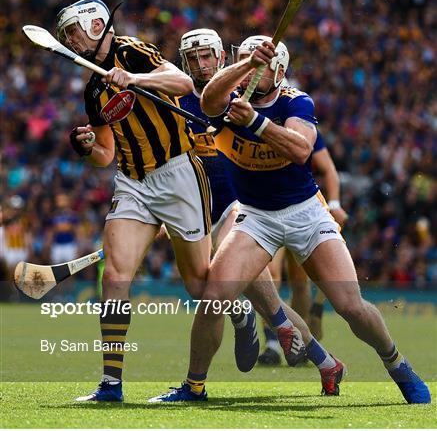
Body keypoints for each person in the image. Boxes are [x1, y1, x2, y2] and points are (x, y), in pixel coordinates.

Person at [149, 35, 430, 404]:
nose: (252, 72)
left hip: (306, 213)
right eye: (246, 63)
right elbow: (209, 100)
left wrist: (256, 122)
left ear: (279, 71)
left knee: (350, 306)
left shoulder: (296, 101)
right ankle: (193, 386)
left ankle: (397, 366)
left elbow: (301, 150)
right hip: (255, 216)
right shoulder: (231, 99)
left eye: (260, 65)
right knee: (214, 298)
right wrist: (248, 66)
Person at [56, 0, 212, 402]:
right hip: (132, 182)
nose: (71, 42)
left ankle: (243, 313)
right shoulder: (92, 87)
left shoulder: (132, 51)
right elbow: (105, 154)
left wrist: (134, 79)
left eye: (73, 32)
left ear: (94, 25)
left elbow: (183, 84)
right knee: (114, 276)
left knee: (200, 283)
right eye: (66, 38)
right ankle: (111, 384)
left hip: (178, 171)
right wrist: (86, 146)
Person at [177, 29, 342, 379]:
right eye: (193, 58)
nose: (200, 64)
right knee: (211, 292)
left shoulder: (242, 98)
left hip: (241, 205)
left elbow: (309, 154)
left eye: (207, 56)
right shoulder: (176, 95)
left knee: (254, 291)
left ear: (223, 58)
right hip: (196, 207)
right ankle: (323, 359)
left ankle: (208, 372)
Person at [258, 131, 349, 365]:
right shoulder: (257, 126)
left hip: (302, 213)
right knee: (272, 277)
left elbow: (329, 170)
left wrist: (335, 203)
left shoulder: (303, 130)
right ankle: (273, 344)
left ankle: (300, 342)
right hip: (267, 212)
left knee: (300, 285)